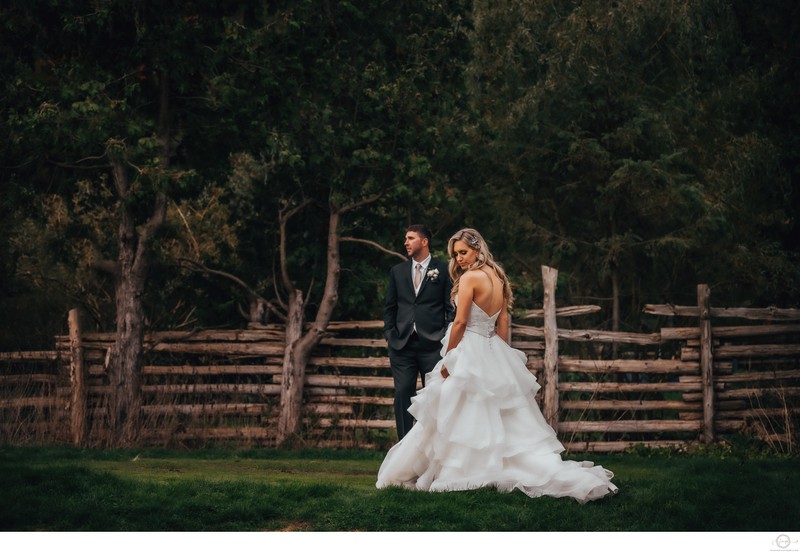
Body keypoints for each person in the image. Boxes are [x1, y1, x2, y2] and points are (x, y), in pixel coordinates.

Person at [377, 228, 618, 503]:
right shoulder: (499, 277)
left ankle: (466, 468)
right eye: (455, 255)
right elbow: (503, 323)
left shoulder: (470, 279)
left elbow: (460, 323)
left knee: (458, 409)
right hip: (492, 348)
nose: (459, 259)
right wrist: (498, 353)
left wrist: (449, 357)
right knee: (492, 413)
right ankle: (499, 465)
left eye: (463, 253)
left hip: (469, 349)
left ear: (478, 250)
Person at [383, 224, 455, 441]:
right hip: (402, 345)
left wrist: (444, 336)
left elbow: (451, 308)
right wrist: (390, 333)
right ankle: (403, 448)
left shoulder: (443, 269)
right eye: (406, 238)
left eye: (411, 238)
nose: (406, 242)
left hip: (432, 345)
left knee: (434, 398)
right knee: (402, 393)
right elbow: (390, 307)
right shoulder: (397, 271)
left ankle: (430, 449)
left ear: (424, 241)